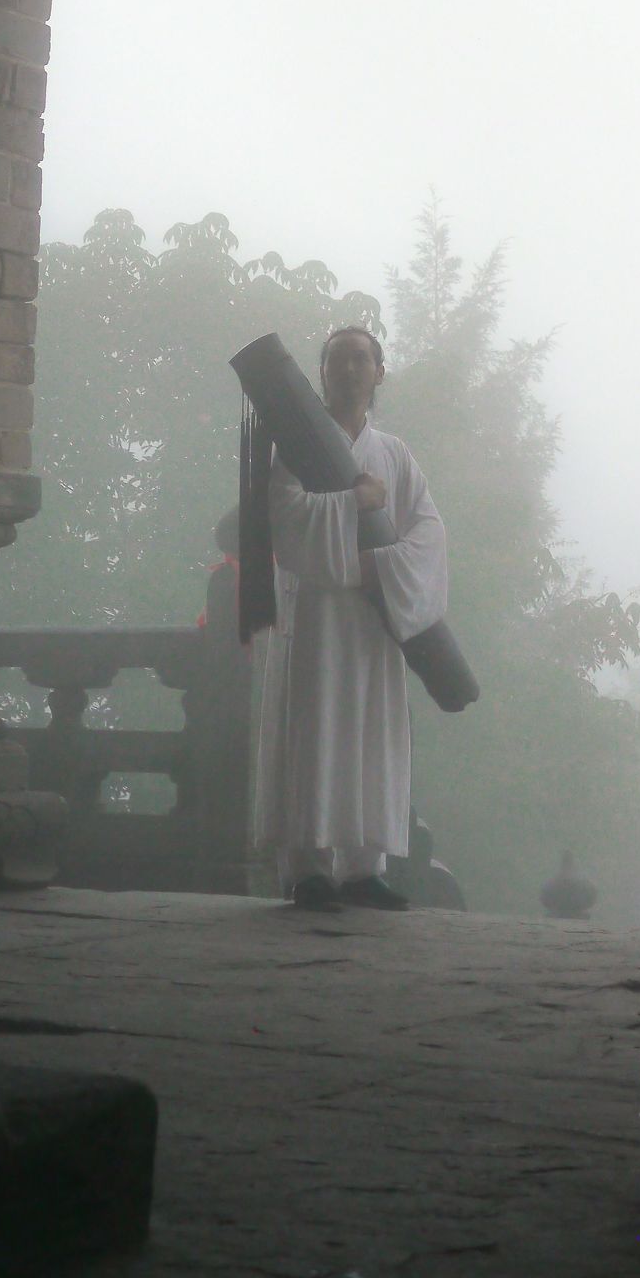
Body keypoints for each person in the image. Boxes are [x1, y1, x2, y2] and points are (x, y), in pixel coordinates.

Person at [253, 325, 448, 911]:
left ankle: (365, 866)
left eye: (362, 359)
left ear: (379, 372)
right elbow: (283, 516)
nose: (351, 369)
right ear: (322, 373)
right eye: (339, 359)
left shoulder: (395, 454)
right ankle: (308, 866)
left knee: (371, 730)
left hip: (372, 615)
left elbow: (430, 532)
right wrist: (351, 505)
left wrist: (376, 568)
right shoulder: (298, 446)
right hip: (316, 617)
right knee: (315, 729)